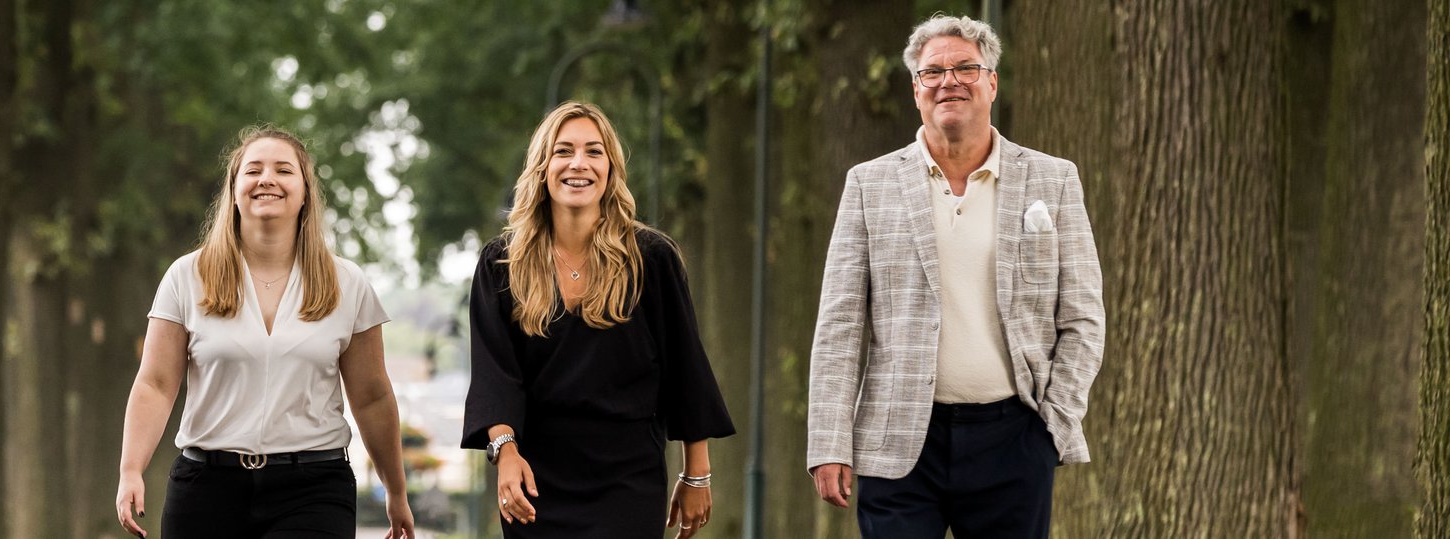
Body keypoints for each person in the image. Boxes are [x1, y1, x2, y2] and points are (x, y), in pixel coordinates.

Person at [804, 14, 1107, 538]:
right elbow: (840, 326)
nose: (950, 81)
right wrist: (829, 442)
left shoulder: (1054, 180)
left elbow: (1082, 318)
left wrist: (1052, 425)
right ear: (916, 90)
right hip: (896, 444)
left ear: (991, 82)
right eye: (933, 72)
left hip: (1014, 438)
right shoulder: (868, 185)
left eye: (966, 67)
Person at [113, 126, 415, 539]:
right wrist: (131, 469)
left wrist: (396, 492)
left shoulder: (348, 283)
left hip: (313, 489)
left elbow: (372, 396)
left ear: (305, 192)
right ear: (234, 191)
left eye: (283, 170)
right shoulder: (186, 276)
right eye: (253, 170)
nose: (267, 179)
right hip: (207, 488)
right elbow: (156, 384)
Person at [463, 101, 736, 538]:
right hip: (535, 479)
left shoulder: (652, 259)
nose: (579, 164)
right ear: (542, 166)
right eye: (563, 151)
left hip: (628, 477)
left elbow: (685, 369)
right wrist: (505, 453)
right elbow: (496, 373)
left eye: (594, 151)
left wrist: (696, 473)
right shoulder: (502, 264)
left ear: (611, 168)